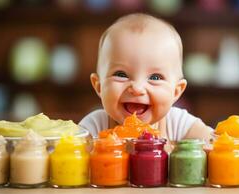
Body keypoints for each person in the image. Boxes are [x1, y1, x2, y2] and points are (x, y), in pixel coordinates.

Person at [79, 13, 213, 150]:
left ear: (176, 91)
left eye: (155, 77)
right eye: (121, 74)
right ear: (99, 86)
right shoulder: (94, 126)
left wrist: (174, 149)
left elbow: (214, 145)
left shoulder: (179, 124)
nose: (137, 88)